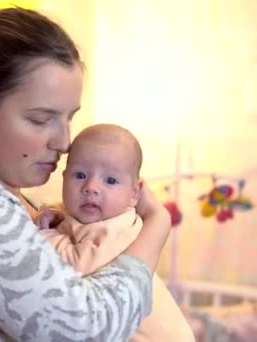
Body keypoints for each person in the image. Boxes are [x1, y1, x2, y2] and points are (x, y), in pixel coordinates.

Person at [0, 7, 193, 341]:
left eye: (69, 117)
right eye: (41, 119)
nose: (65, 142)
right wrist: (157, 223)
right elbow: (84, 329)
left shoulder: (21, 204)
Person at [36, 123, 187, 341]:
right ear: (64, 177)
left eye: (110, 180)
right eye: (79, 175)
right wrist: (57, 218)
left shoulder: (121, 227)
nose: (91, 187)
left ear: (134, 194)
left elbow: (79, 267)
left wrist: (46, 235)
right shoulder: (92, 220)